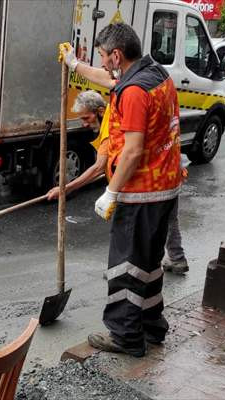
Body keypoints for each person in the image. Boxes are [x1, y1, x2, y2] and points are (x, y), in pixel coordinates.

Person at [62, 23, 183, 357]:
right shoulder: (155, 74)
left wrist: (111, 192)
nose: (102, 63)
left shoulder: (133, 93)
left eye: (103, 56)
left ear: (116, 55)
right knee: (149, 263)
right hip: (164, 187)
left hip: (139, 192)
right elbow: (108, 81)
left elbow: (131, 150)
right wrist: (75, 66)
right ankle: (152, 327)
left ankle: (126, 336)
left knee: (126, 265)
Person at [46, 90, 189, 275]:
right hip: (167, 173)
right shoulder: (122, 109)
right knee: (168, 218)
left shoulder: (110, 127)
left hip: (145, 180)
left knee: (127, 227)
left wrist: (65, 188)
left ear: (99, 110)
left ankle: (122, 270)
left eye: (86, 117)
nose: (84, 123)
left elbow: (98, 167)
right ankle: (176, 258)